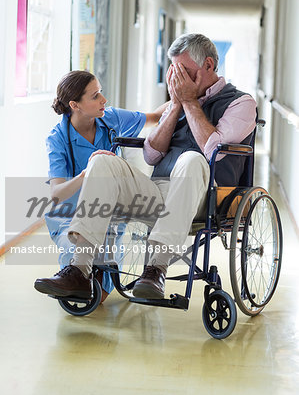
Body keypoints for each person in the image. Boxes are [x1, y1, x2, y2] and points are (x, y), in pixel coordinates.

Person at [35, 33, 257, 301]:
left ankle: (155, 270)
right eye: (174, 72)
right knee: (102, 160)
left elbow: (214, 151)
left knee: (192, 158)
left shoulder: (241, 103)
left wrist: (189, 103)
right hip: (157, 192)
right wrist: (176, 105)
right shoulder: (176, 101)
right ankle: (79, 271)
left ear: (208, 65)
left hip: (204, 197)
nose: (178, 80)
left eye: (184, 71)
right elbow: (151, 155)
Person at [41, 70, 167, 302]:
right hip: (70, 216)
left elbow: (156, 116)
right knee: (77, 281)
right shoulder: (58, 138)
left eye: (101, 92)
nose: (104, 100)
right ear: (74, 105)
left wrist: (183, 96)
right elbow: (57, 194)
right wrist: (87, 174)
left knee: (98, 296)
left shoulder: (110, 118)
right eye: (95, 95)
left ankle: (90, 272)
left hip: (108, 215)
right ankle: (75, 270)